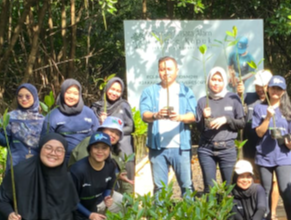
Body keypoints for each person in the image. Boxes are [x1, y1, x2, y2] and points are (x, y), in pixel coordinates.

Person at [139, 56, 197, 196]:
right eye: (162, 69)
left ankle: (189, 217)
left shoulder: (186, 91)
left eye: (169, 69)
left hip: (181, 148)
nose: (166, 72)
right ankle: (160, 217)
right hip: (157, 148)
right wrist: (156, 115)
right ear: (158, 71)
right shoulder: (150, 92)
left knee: (187, 186)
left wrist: (180, 117)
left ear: (177, 70)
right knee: (160, 188)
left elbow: (194, 115)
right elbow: (144, 114)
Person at [253, 76, 291, 220]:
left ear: (284, 91)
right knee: (265, 190)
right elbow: (258, 132)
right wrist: (267, 117)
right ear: (268, 88)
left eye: (279, 89)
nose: (275, 91)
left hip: (284, 157)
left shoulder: (288, 110)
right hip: (264, 157)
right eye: (273, 88)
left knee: (286, 191)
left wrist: (290, 142)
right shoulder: (259, 108)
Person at [64, 132, 118, 220]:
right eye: (96, 147)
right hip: (72, 211)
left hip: (91, 208)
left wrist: (106, 197)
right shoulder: (78, 170)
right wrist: (89, 214)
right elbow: (71, 199)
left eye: (104, 148)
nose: (100, 151)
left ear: (109, 150)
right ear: (89, 149)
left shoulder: (111, 165)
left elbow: (109, 185)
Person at [195, 67, 245, 193]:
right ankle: (211, 212)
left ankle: (229, 213)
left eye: (219, 80)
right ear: (208, 81)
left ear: (225, 82)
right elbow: (199, 128)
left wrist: (227, 119)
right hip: (206, 148)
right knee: (209, 188)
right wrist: (203, 118)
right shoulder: (202, 101)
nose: (216, 83)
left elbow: (242, 123)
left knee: (230, 188)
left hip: (227, 149)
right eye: (213, 79)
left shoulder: (233, 98)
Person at [240, 70, 281, 220]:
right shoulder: (249, 97)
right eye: (257, 85)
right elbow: (238, 107)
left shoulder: (275, 100)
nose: (259, 89)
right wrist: (239, 93)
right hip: (250, 146)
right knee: (252, 178)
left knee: (273, 180)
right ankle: (256, 210)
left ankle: (273, 212)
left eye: (262, 85)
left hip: (269, 148)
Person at [68, 116, 134, 194]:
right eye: (111, 131)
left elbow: (123, 175)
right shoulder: (89, 143)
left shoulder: (115, 151)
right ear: (102, 129)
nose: (113, 135)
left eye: (117, 134)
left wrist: (128, 199)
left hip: (107, 192)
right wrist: (114, 176)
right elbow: (85, 173)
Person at [0, 83, 45, 167]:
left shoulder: (43, 120)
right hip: (15, 165)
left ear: (34, 97)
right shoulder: (10, 117)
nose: (24, 99)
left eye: (27, 96)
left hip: (37, 165)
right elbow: (6, 142)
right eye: (20, 96)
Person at [92, 77, 135, 182]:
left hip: (122, 145)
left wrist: (115, 132)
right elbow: (92, 127)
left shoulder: (123, 105)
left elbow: (131, 127)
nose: (114, 93)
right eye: (112, 89)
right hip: (103, 146)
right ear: (106, 88)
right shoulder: (97, 107)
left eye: (118, 91)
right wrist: (101, 122)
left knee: (126, 179)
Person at [43, 79, 99, 159]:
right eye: (68, 92)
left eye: (75, 93)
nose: (71, 96)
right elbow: (45, 140)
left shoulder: (89, 113)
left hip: (87, 159)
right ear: (62, 93)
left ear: (79, 95)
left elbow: (97, 135)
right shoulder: (53, 115)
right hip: (60, 159)